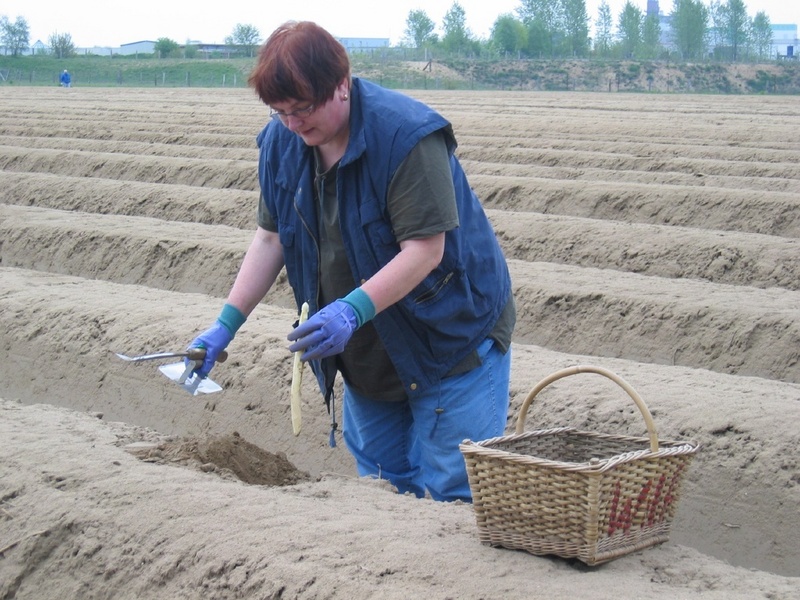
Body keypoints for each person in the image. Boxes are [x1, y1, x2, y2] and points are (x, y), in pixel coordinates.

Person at [186, 21, 515, 502]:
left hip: (448, 338)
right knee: (382, 486)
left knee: (453, 490)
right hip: (369, 351)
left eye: (303, 109)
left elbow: (426, 250)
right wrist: (225, 324)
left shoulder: (405, 138)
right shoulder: (282, 143)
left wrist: (349, 310)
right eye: (281, 112)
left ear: (341, 84)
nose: (294, 124)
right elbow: (270, 238)